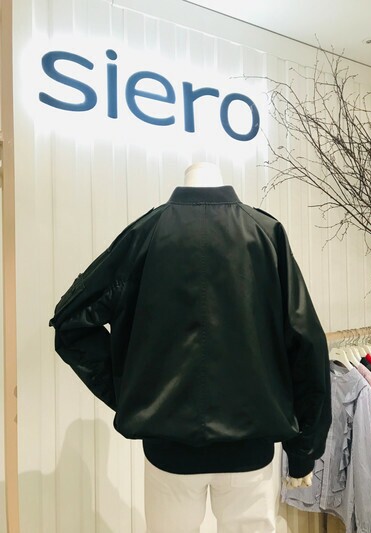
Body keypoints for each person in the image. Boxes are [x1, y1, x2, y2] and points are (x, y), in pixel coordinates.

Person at [49, 162, 331, 532]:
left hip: (170, 452)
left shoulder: (145, 234)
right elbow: (307, 343)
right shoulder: (265, 233)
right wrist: (303, 449)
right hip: (251, 450)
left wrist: (136, 394)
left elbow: (70, 319)